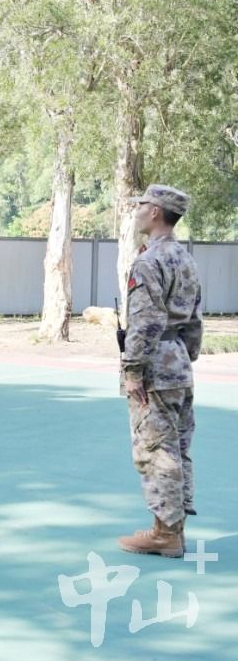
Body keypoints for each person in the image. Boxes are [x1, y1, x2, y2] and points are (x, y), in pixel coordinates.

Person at [117, 185, 203, 558]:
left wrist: (133, 370)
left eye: (141, 205)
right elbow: (195, 317)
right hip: (178, 361)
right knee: (177, 447)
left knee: (156, 450)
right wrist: (186, 355)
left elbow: (145, 320)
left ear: (155, 212)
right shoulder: (184, 257)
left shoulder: (148, 261)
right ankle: (170, 528)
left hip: (155, 366)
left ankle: (166, 534)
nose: (136, 210)